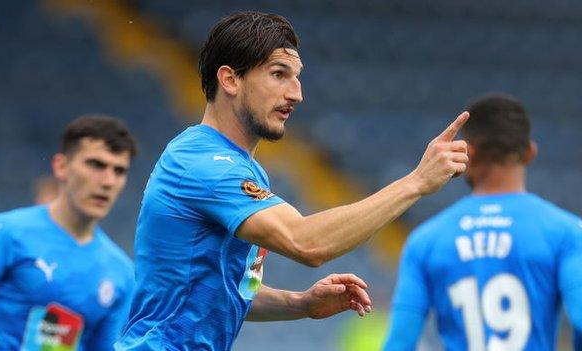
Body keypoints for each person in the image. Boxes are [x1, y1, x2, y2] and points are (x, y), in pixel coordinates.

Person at [116, 11, 469, 351]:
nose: (296, 93)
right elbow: (307, 244)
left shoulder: (243, 169)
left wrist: (301, 303)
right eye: (278, 74)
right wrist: (416, 183)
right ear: (230, 79)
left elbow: (227, 290)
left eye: (297, 77)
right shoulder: (205, 164)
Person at [383, 94, 582, 350]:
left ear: (469, 153)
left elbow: (400, 342)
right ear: (530, 153)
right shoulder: (566, 232)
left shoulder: (425, 240)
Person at [0, 115, 139, 350]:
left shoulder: (121, 273)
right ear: (61, 166)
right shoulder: (4, 234)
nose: (108, 181)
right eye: (96, 164)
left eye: (119, 170)